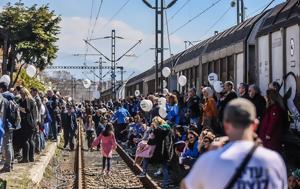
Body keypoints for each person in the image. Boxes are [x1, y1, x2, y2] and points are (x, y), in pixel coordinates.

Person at [181, 98, 287, 189]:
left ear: (226, 125)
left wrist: (211, 154)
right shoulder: (274, 161)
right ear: (255, 125)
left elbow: (185, 186)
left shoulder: (209, 160)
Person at [139, 116, 171, 188]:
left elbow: (153, 141)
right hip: (166, 149)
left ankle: (144, 172)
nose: (153, 124)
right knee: (164, 167)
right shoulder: (168, 128)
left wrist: (149, 141)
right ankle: (166, 183)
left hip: (159, 150)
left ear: (156, 122)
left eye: (154, 122)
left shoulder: (158, 130)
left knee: (146, 157)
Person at [259, 89, 286, 153]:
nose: (265, 97)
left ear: (270, 97)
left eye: (266, 96)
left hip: (271, 136)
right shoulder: (272, 107)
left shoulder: (275, 108)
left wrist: (268, 134)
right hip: (268, 135)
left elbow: (273, 122)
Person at [19, 88, 38, 163]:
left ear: (24, 93)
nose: (20, 94)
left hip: (27, 122)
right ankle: (31, 157)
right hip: (31, 122)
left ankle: (25, 158)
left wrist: (19, 108)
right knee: (30, 140)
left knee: (25, 140)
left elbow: (27, 110)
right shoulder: (31, 100)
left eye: (21, 93)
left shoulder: (27, 100)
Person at [0, 82, 14, 172]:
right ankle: (10, 164)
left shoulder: (3, 99)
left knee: (7, 145)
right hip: (9, 125)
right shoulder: (7, 100)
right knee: (9, 145)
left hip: (4, 126)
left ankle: (7, 166)